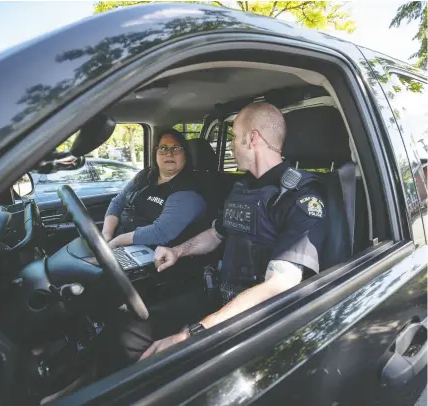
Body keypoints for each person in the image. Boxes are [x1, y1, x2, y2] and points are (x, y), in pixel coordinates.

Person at [101, 103, 328, 369]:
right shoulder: (243, 187)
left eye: (233, 136)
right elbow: (217, 233)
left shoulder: (300, 197)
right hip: (218, 293)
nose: (230, 145)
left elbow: (280, 284)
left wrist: (193, 333)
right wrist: (177, 251)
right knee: (128, 332)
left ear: (253, 139)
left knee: (161, 353)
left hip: (257, 318)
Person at [102, 128, 207, 249]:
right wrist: (106, 236)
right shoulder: (145, 175)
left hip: (152, 252)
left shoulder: (188, 191)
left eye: (176, 148)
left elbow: (160, 232)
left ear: (186, 155)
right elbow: (118, 202)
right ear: (155, 153)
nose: (169, 153)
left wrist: (115, 243)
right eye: (163, 148)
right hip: (119, 244)